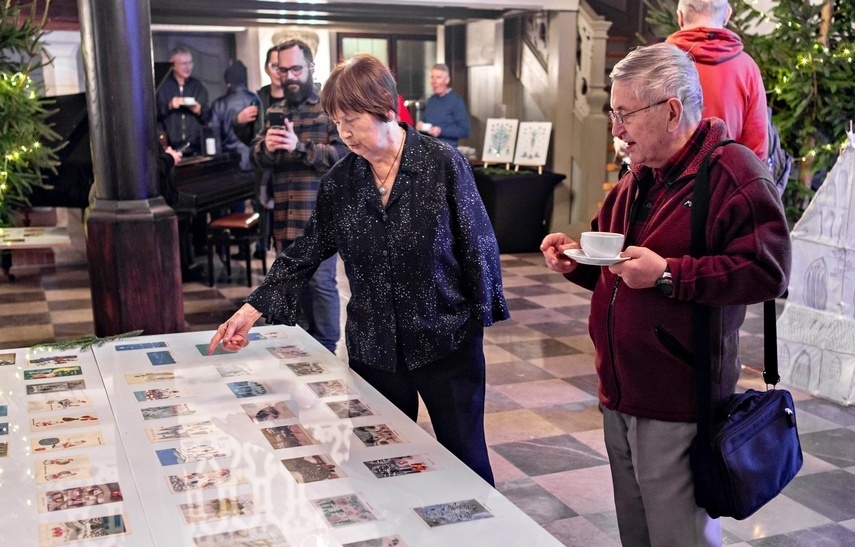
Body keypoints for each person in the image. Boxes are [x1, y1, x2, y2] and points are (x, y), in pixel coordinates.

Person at [208, 53, 509, 486]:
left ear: (385, 107)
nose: (343, 132)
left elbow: (477, 243)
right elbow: (306, 249)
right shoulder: (341, 181)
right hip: (375, 344)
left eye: (351, 119)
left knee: (466, 457)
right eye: (336, 121)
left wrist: (480, 317)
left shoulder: (441, 164)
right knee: (383, 462)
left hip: (445, 339)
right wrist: (252, 308)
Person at [540, 43, 790, 546]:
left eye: (625, 114)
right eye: (613, 114)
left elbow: (769, 271)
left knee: (680, 537)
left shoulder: (733, 173)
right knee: (636, 534)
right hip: (620, 392)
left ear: (672, 111)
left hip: (679, 401)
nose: (615, 129)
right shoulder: (638, 177)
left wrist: (670, 274)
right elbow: (616, 267)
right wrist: (575, 261)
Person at [250, 39, 348, 353]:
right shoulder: (276, 110)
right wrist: (266, 148)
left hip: (320, 216)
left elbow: (344, 156)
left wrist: (300, 148)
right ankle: (301, 348)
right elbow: (256, 155)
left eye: (295, 69)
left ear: (310, 67)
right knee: (290, 286)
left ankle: (328, 349)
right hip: (284, 216)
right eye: (282, 70)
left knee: (320, 284)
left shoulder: (329, 106)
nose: (289, 76)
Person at [666, 0, 768, 161]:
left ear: (680, 16)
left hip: (668, 176)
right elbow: (756, 151)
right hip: (728, 176)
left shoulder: (656, 61)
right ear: (727, 15)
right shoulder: (748, 68)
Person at [232, 46, 285, 259]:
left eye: (284, 66)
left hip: (292, 172)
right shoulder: (259, 98)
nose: (279, 71)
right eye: (275, 65)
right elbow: (251, 140)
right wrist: (239, 122)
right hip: (265, 173)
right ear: (266, 68)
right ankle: (264, 249)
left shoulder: (297, 99)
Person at [156, 46, 211, 155]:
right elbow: (152, 116)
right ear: (172, 65)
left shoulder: (198, 87)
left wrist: (199, 111)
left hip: (194, 148)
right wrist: (169, 106)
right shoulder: (162, 86)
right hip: (169, 149)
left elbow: (208, 118)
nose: (188, 67)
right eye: (184, 63)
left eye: (190, 63)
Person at [210, 60, 258, 172]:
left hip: (230, 164)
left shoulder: (219, 104)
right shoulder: (257, 100)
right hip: (254, 162)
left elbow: (213, 137)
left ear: (228, 83)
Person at [416, 64, 470, 148]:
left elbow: (465, 131)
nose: (434, 81)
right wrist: (420, 125)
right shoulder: (431, 101)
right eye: (432, 77)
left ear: (447, 80)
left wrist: (441, 131)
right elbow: (426, 123)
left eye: (438, 77)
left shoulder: (456, 101)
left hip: (448, 151)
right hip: (429, 149)